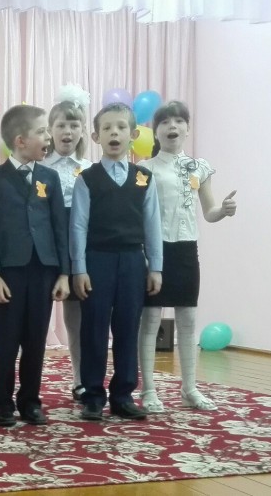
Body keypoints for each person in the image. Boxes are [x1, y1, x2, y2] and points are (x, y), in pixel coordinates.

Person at [137, 101, 237, 413]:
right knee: (151, 320)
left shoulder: (199, 168)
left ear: (187, 128)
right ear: (156, 131)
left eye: (179, 121)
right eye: (165, 121)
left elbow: (209, 211)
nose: (173, 126)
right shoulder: (145, 169)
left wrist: (224, 210)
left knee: (188, 320)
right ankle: (149, 391)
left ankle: (189, 389)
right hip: (155, 250)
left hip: (186, 249)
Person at [70, 102, 163, 421]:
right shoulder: (87, 179)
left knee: (127, 327)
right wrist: (79, 268)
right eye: (107, 128)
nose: (115, 133)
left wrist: (155, 266)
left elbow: (153, 224)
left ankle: (123, 395)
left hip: (133, 262)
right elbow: (78, 225)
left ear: (133, 135)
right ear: (96, 136)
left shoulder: (144, 178)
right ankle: (93, 395)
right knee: (94, 328)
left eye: (121, 127)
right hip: (97, 260)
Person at [0, 105, 70, 427]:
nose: (48, 137)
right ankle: (1, 401)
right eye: (42, 132)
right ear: (20, 140)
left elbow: (59, 228)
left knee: (35, 339)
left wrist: (63, 273)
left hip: (43, 270)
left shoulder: (50, 177)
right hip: (9, 273)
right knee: (5, 340)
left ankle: (30, 400)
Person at [42, 98, 94, 403]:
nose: (67, 131)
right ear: (50, 129)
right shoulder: (40, 168)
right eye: (61, 125)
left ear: (83, 130)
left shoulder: (89, 170)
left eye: (74, 125)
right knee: (35, 317)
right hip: (46, 248)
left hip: (80, 249)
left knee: (77, 317)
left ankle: (80, 379)